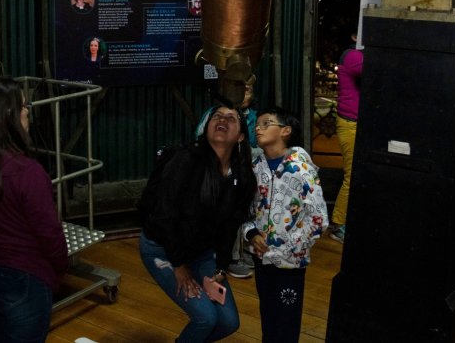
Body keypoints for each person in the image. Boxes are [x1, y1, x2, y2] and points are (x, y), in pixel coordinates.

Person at [0, 76, 68, 343]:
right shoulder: (27, 172)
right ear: (9, 117)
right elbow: (50, 234)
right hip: (25, 279)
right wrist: (60, 269)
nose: (28, 111)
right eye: (23, 106)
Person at [138, 104, 257, 342]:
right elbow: (165, 216)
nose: (222, 119)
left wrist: (222, 267)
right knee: (206, 318)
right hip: (164, 250)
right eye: (216, 116)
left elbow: (230, 226)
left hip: (202, 253)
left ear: (241, 136)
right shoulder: (186, 159)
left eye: (231, 118)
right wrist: (179, 266)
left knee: (229, 322)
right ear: (206, 127)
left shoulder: (241, 176)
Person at [243, 108, 328, 343]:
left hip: (290, 263)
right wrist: (251, 233)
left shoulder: (301, 169)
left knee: (286, 324)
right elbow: (246, 209)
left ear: (285, 131)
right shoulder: (255, 167)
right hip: (262, 259)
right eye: (256, 124)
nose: (258, 128)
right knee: (268, 317)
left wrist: (287, 246)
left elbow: (318, 218)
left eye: (266, 123)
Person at [193, 83, 259, 278]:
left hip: (239, 168)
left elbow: (252, 144)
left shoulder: (253, 116)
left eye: (248, 89)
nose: (223, 121)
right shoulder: (189, 164)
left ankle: (235, 256)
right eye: (218, 118)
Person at [331, 34, 363, 243]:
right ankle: (339, 224)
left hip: (356, 122)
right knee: (352, 176)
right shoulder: (352, 56)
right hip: (350, 123)